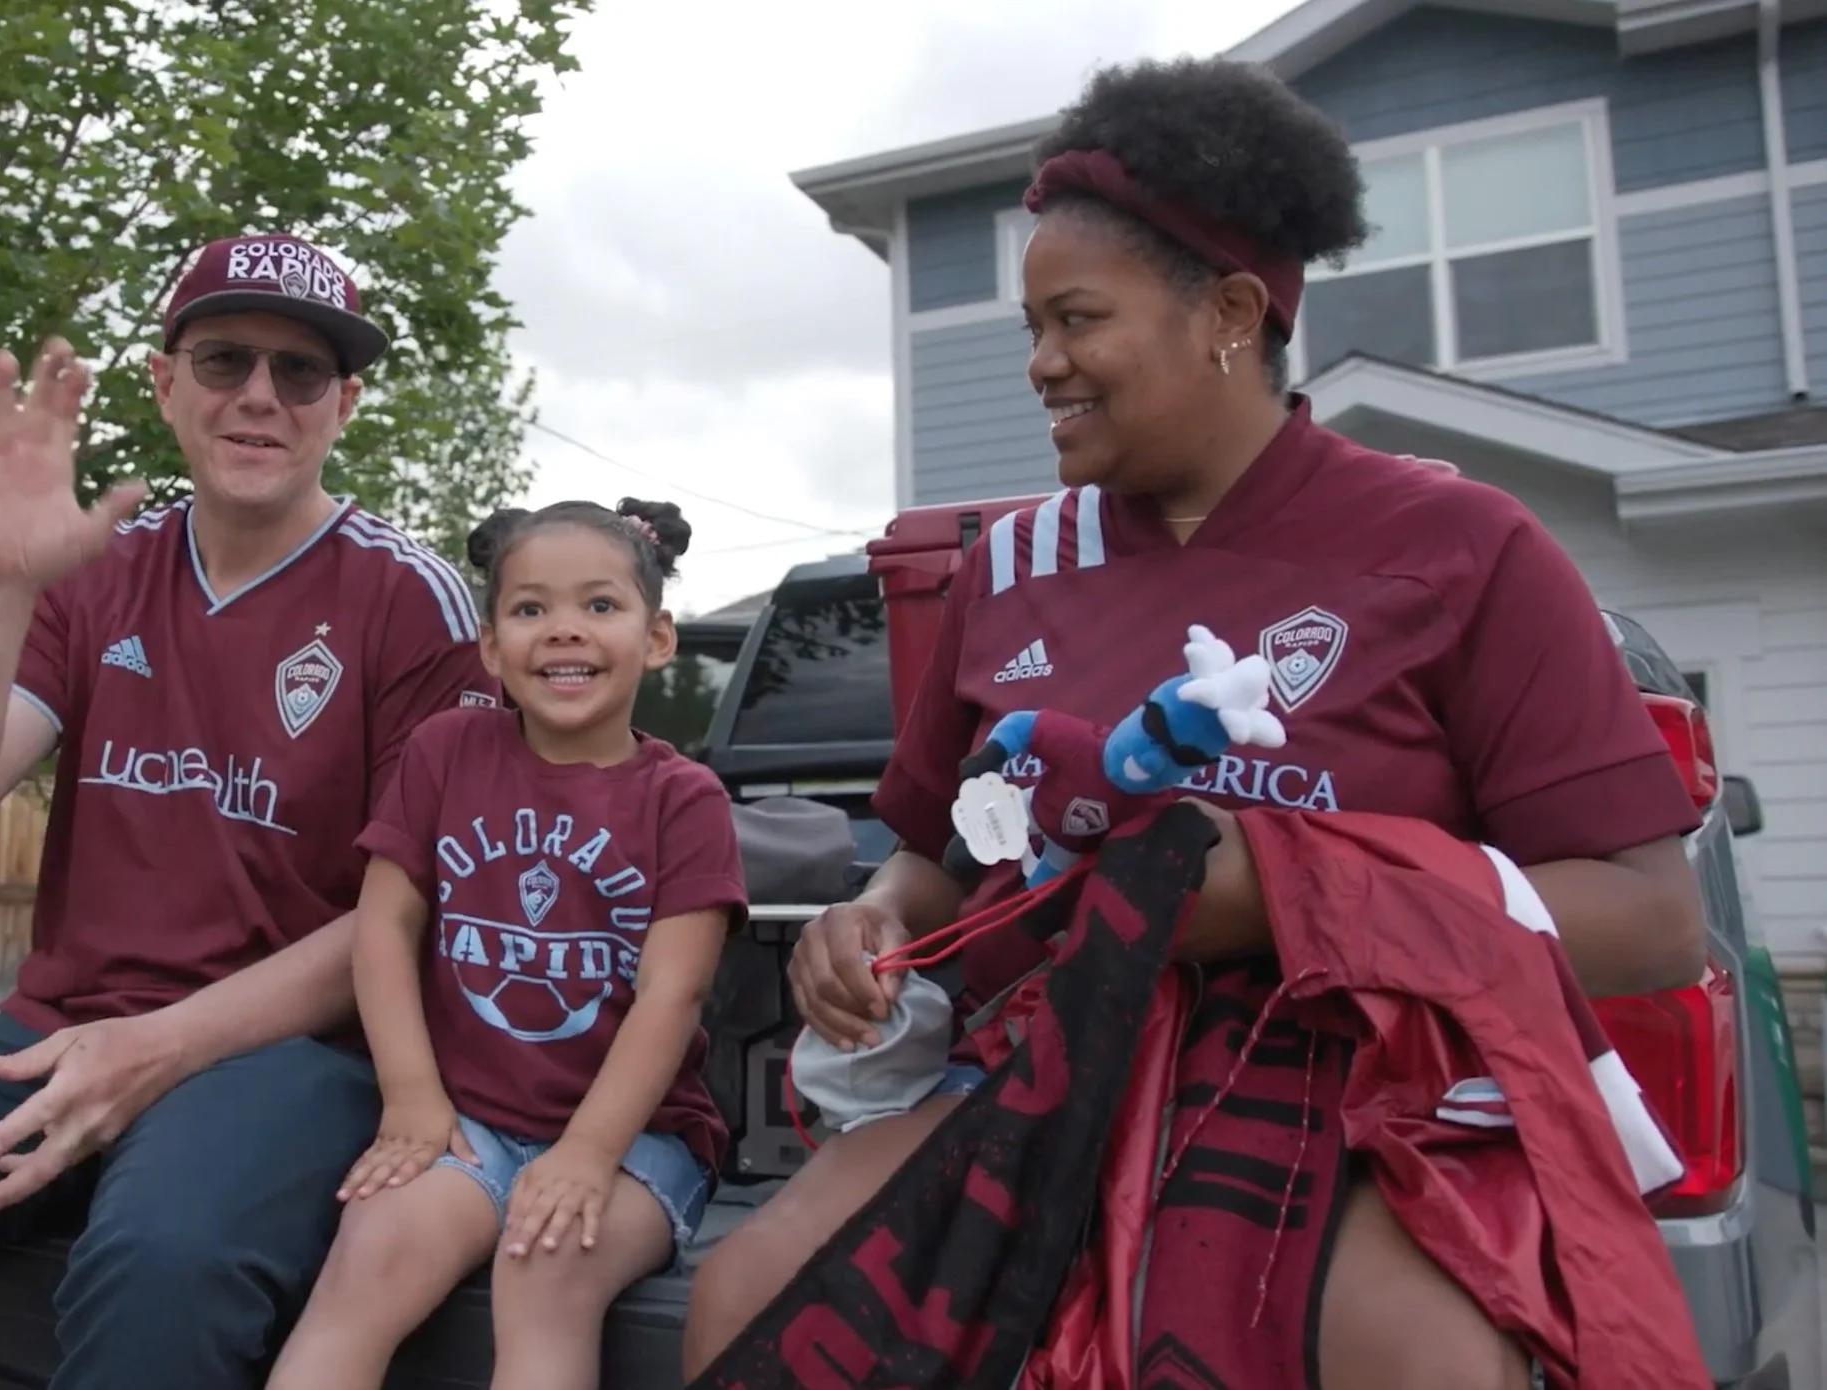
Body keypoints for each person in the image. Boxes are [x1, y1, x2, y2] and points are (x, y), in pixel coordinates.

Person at [681, 57, 1707, 1390]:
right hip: (1046, 1071)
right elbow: (939, 851)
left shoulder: (1460, 545)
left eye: (1077, 318)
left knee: (1428, 1362)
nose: (1043, 363)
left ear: (1228, 313)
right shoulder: (1009, 564)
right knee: (753, 1297)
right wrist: (874, 915)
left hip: (1361, 1086)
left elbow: (1650, 917)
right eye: (1031, 327)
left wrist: (1293, 895)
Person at [0, 232, 500, 1389]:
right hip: (60, 1031)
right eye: (223, 360)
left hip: (290, 1055)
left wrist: (157, 1048)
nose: (260, 396)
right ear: (165, 383)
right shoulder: (101, 566)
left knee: (161, 1262)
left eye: (301, 371)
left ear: (345, 402)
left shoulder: (405, 596)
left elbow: (403, 912)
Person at [263, 499, 745, 1390]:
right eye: (530, 609)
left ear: (658, 637)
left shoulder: (684, 801)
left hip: (637, 1141)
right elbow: (385, 925)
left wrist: (588, 1154)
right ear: (490, 647)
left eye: (600, 606)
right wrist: (410, 1096)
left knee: (545, 1263)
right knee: (372, 1253)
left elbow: (672, 997)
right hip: (469, 1124)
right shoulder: (448, 751)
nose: (564, 631)